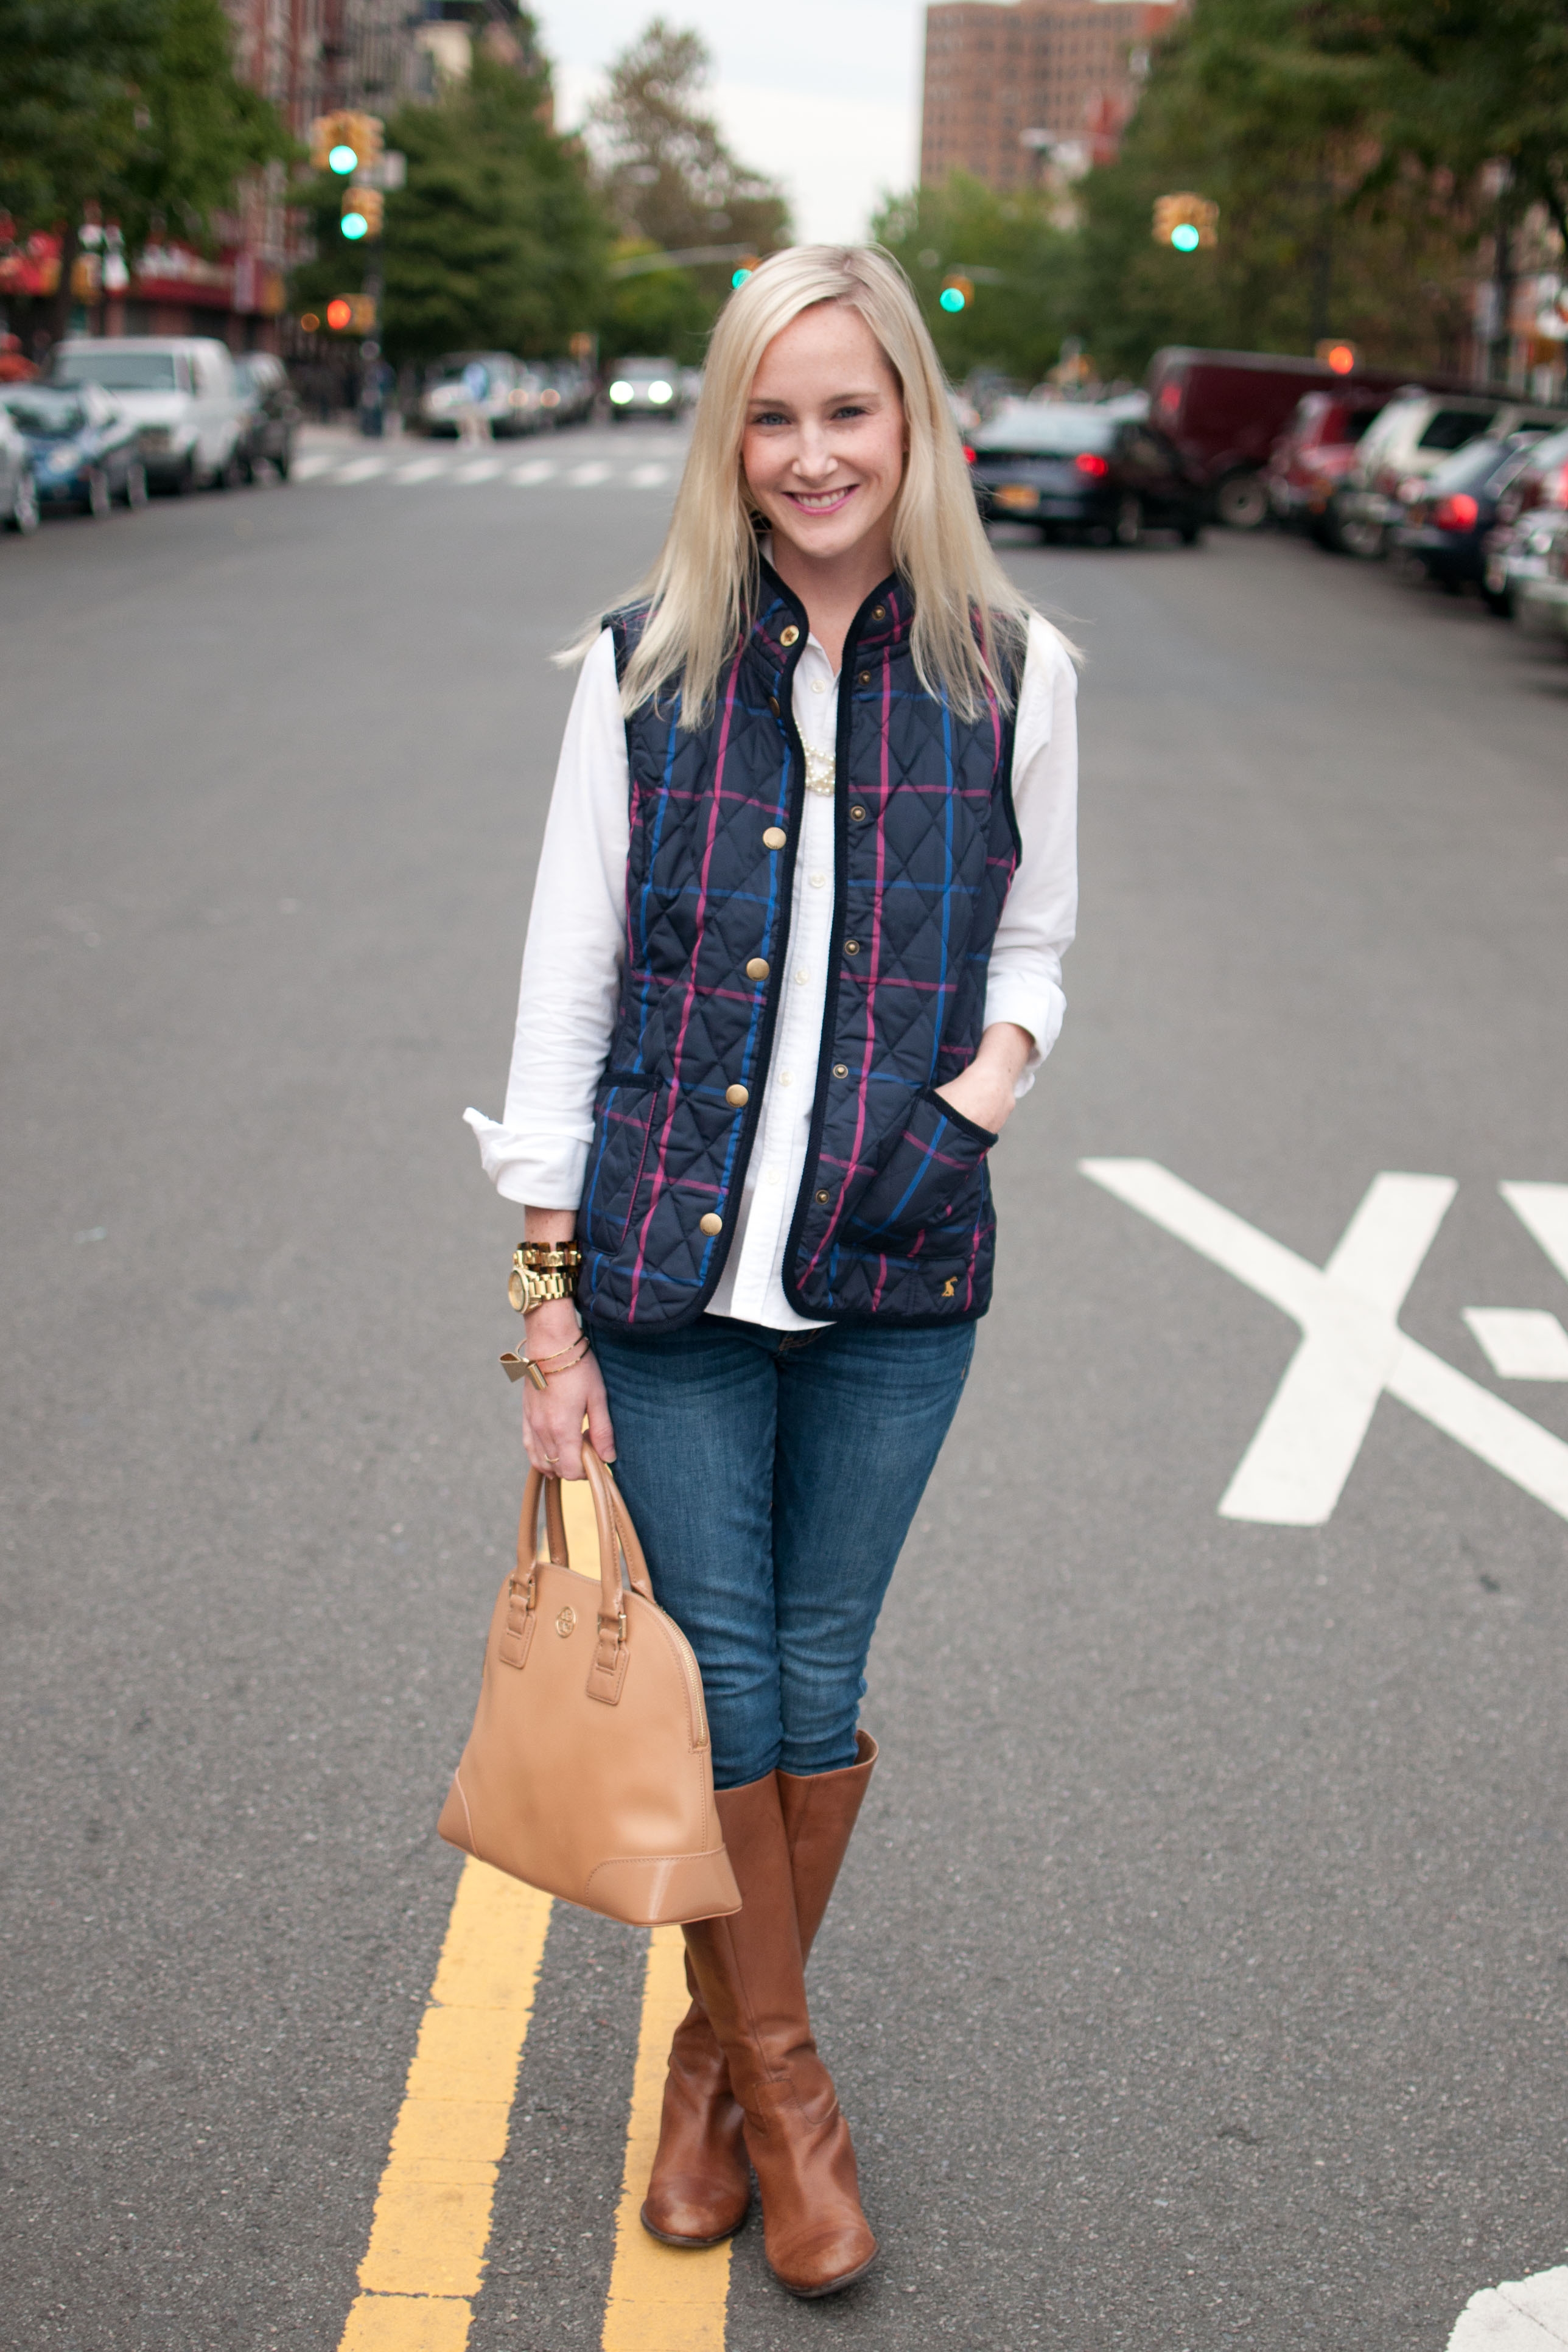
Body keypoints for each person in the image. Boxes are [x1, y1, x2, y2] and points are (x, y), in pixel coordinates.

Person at [465, 243, 1078, 2300]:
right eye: (774, 411)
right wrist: (547, 1306)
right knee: (722, 1689)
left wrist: (976, 1099)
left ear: (913, 421)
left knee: (819, 1680)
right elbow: (566, 993)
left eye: (851, 408)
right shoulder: (644, 665)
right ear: (731, 433)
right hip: (666, 1271)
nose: (814, 452)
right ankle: (774, 2085)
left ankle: (714, 2072)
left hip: (901, 1266)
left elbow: (1035, 946)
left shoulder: (1011, 664)